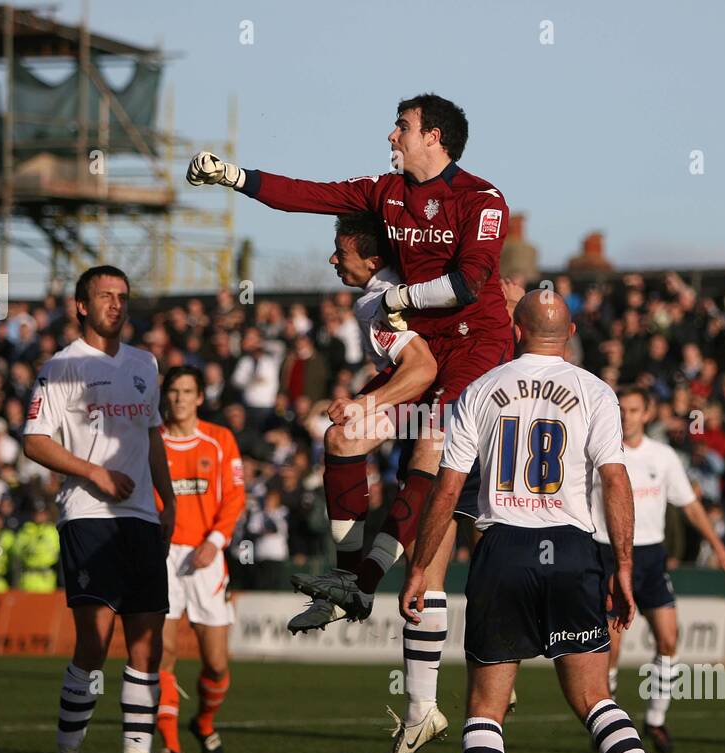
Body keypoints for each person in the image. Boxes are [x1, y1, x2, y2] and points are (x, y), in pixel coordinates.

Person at [188, 94, 512, 626]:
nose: (391, 136)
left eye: (401, 127)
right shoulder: (384, 192)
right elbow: (308, 196)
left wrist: (398, 301)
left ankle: (365, 586)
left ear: (434, 137)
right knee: (343, 437)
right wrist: (235, 176)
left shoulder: (482, 199)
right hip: (422, 349)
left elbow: (467, 283)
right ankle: (344, 580)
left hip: (476, 347)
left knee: (432, 442)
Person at [400, 290, 686, 753]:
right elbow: (615, 481)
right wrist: (623, 566)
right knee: (594, 699)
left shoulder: (479, 390)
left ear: (515, 328)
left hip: (502, 548)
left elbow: (448, 488)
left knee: (485, 706)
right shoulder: (597, 392)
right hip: (573, 551)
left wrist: (417, 567)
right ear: (571, 331)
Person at [280, 212, 457, 753]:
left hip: (476, 402)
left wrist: (366, 402)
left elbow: (422, 367)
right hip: (447, 397)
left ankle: (357, 584)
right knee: (347, 443)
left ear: (374, 258)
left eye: (341, 251)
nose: (333, 260)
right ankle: (424, 703)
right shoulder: (394, 290)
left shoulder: (378, 301)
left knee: (427, 469)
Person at [23, 265, 176, 753]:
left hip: (141, 519)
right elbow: (35, 441)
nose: (117, 303)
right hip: (89, 515)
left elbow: (153, 433)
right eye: (106, 296)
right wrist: (95, 473)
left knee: (147, 648)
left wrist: (169, 497)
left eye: (123, 296)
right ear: (81, 306)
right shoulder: (60, 367)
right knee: (94, 642)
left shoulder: (144, 362)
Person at [594, 386, 725, 753]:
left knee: (669, 639)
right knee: (611, 648)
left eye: (633, 409)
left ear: (647, 413)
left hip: (650, 557)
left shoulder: (663, 457)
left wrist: (720, 548)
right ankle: (607, 723)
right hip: (607, 555)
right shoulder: (597, 452)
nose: (626, 415)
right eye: (621, 409)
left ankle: (656, 719)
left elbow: (691, 506)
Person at [153, 366, 246, 753]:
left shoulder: (220, 439)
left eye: (187, 391)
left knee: (217, 663)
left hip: (207, 557)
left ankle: (204, 722)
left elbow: (235, 497)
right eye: (173, 391)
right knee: (162, 654)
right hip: (163, 556)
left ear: (199, 398)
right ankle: (169, 745)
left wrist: (214, 541)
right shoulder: (150, 441)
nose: (179, 399)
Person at [12, 502, 60, 592]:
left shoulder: (52, 531)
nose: (39, 516)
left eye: (42, 513)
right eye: (37, 513)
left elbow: (55, 554)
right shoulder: (25, 530)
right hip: (27, 577)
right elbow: (17, 552)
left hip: (46, 578)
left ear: (47, 515)